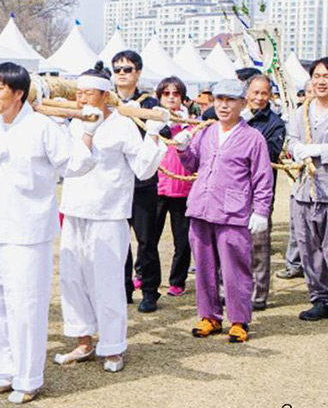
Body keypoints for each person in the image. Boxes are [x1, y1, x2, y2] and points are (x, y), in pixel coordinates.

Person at [0, 62, 96, 404]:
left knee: (25, 303)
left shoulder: (42, 126)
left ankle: (29, 377)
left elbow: (75, 164)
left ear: (18, 93)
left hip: (29, 229)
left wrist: (89, 128)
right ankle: (4, 370)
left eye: (0, 87)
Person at [55, 61, 166, 372]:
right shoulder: (75, 123)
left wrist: (154, 137)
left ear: (105, 96)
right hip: (75, 210)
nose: (80, 99)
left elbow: (143, 169)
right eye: (77, 93)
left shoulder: (122, 125)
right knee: (72, 279)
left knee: (107, 281)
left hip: (108, 213)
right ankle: (83, 341)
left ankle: (113, 347)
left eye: (87, 93)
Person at [170, 79, 272, 343]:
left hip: (233, 212)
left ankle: (239, 319)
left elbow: (262, 178)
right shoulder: (205, 132)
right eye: (219, 100)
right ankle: (209, 316)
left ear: (242, 103)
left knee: (234, 267)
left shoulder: (253, 138)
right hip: (201, 208)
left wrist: (260, 211)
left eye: (230, 100)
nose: (224, 105)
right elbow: (193, 165)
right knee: (203, 266)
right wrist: (182, 149)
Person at [110, 49, 163, 312]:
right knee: (119, 239)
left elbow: (158, 130)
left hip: (143, 182)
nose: (121, 74)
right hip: (116, 179)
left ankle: (151, 291)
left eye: (127, 69)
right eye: (117, 69)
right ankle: (123, 288)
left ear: (138, 72)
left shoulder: (150, 103)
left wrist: (138, 113)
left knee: (146, 240)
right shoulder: (107, 101)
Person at [286, 57, 328, 320]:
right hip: (304, 190)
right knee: (308, 246)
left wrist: (319, 150)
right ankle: (320, 297)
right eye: (318, 76)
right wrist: (296, 149)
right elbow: (291, 140)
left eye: (326, 76)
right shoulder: (300, 112)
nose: (322, 81)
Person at [244, 73, 286, 310]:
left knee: (258, 244)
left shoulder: (275, 123)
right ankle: (227, 289)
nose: (259, 98)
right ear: (247, 93)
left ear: (270, 95)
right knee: (229, 243)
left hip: (260, 190)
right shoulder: (233, 115)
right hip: (231, 190)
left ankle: (259, 295)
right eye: (255, 92)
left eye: (264, 93)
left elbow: (269, 153)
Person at [154, 75, 193, 296]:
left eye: (176, 94)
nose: (171, 97)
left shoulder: (192, 125)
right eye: (166, 93)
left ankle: (178, 280)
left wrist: (182, 126)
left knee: (183, 240)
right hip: (157, 186)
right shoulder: (151, 123)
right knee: (149, 237)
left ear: (183, 98)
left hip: (183, 189)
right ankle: (146, 275)